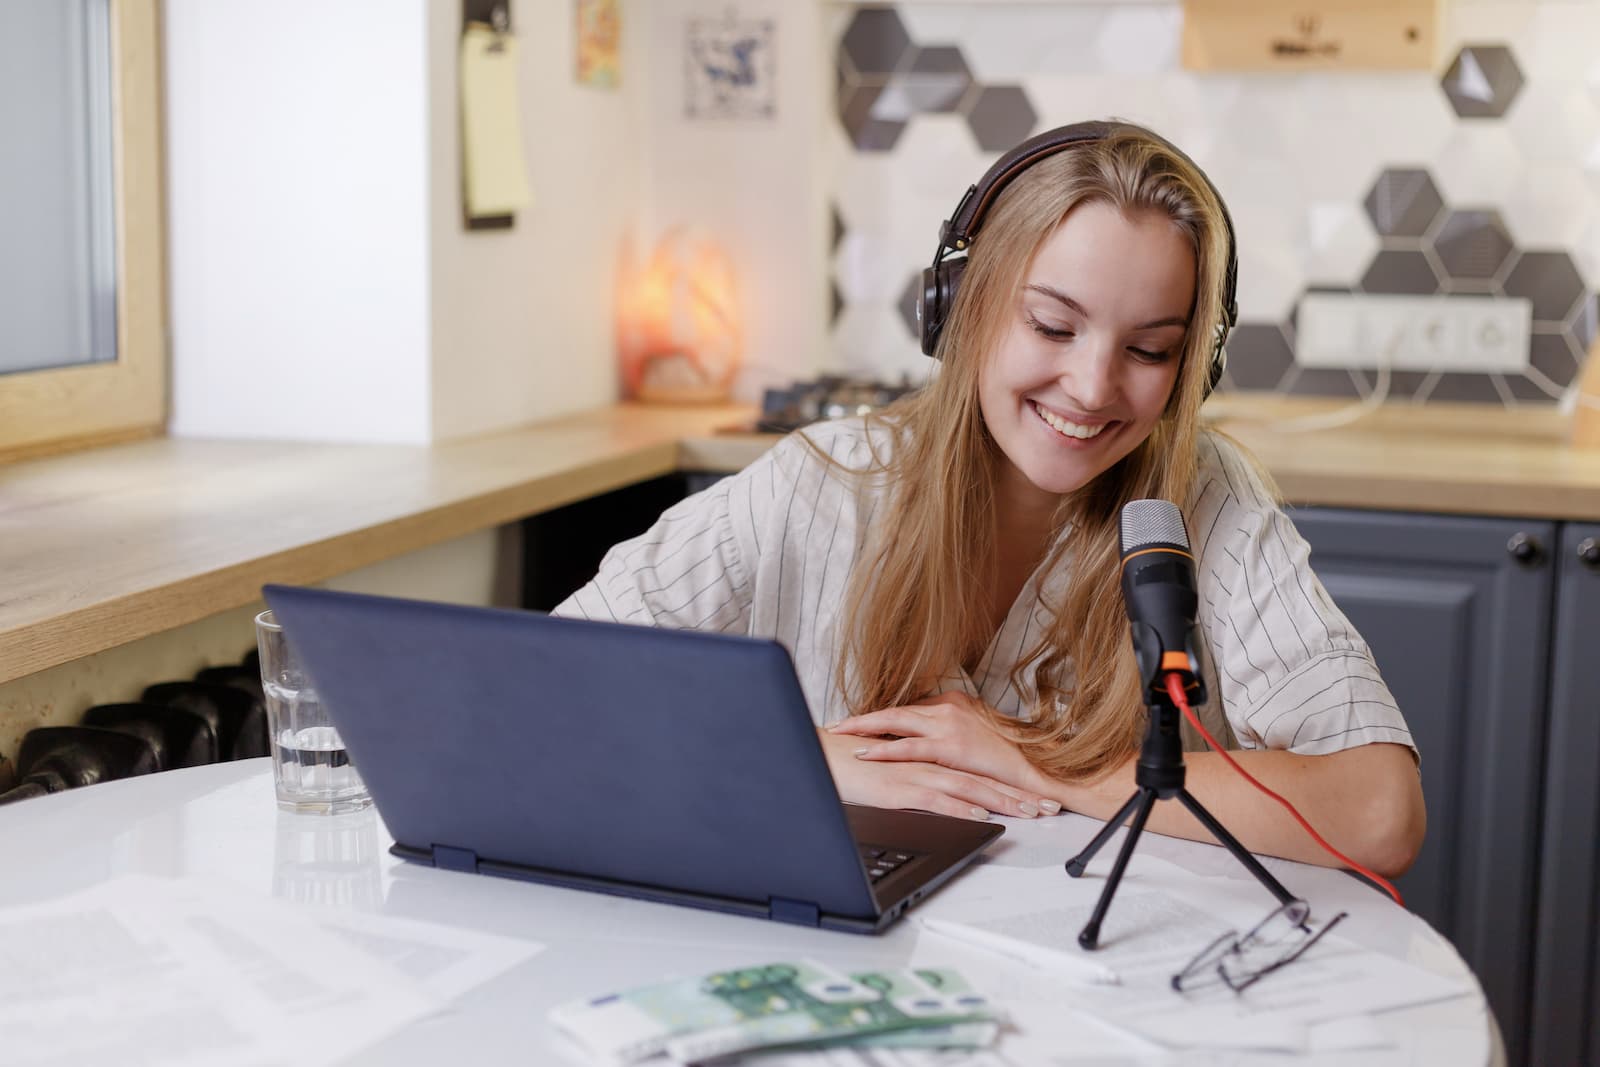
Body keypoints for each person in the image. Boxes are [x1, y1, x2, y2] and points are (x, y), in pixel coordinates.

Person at [555, 120, 1425, 879]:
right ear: (960, 307)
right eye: (1052, 325)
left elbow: (1380, 812)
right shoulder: (820, 482)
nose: (1092, 386)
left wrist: (1042, 764)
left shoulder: (1206, 499)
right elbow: (549, 692)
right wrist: (800, 756)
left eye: (1150, 350)